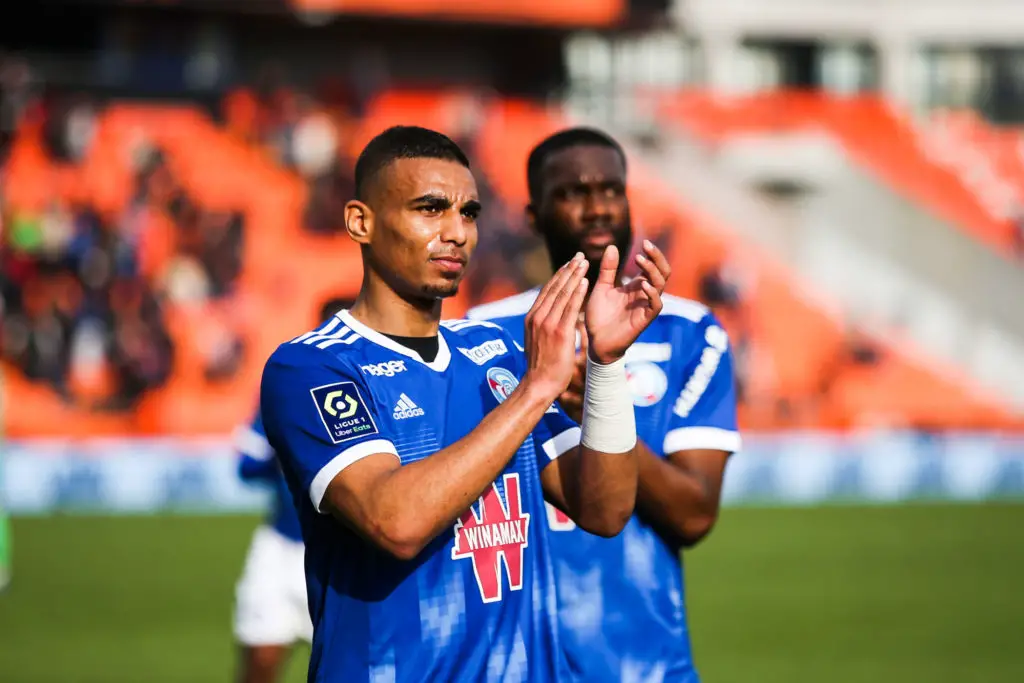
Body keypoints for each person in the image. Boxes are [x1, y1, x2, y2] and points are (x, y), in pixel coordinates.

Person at [258, 125, 672, 682]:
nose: (456, 232)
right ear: (361, 221)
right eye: (430, 209)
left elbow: (605, 508)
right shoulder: (313, 367)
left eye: (469, 213)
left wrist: (606, 364)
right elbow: (396, 522)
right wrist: (535, 390)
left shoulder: (494, 352)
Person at [468, 127, 740, 683]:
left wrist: (598, 409)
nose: (597, 208)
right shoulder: (480, 337)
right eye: (573, 193)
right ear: (533, 216)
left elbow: (693, 515)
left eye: (611, 189)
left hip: (644, 666)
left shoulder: (690, 332)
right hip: (514, 662)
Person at [232, 295, 354, 683]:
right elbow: (248, 465)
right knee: (261, 661)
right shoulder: (289, 388)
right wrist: (288, 457)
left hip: (349, 556)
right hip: (284, 547)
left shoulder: (376, 390)